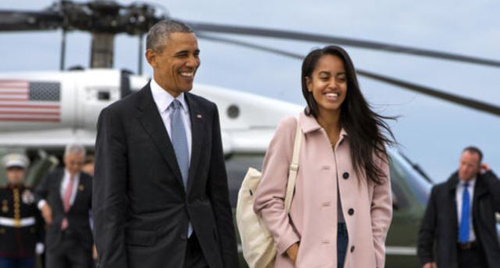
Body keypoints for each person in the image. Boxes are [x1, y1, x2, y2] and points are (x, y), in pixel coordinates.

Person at [93, 19, 238, 268]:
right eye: (183, 55)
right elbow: (109, 206)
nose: (193, 63)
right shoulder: (119, 118)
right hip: (148, 259)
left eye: (195, 54)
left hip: (203, 257)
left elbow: (218, 199)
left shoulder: (207, 112)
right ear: (152, 58)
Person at [253, 45, 394, 268]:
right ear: (309, 83)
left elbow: (381, 204)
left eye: (341, 78)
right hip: (303, 255)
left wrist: (374, 253)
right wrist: (293, 249)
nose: (333, 85)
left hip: (357, 256)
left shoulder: (369, 136)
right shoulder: (291, 130)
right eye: (324, 77)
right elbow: (267, 199)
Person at [418, 147, 500, 268]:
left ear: (478, 168)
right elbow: (427, 228)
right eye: (463, 163)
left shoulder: (486, 193)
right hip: (450, 256)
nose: (465, 169)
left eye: (470, 166)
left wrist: (490, 175)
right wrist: (426, 258)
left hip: (479, 257)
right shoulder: (440, 192)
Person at [35, 144, 93, 268]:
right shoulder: (53, 176)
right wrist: (44, 206)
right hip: (56, 238)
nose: (75, 167)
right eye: (72, 162)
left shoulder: (89, 181)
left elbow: (95, 209)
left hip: (80, 241)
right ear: (65, 159)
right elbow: (38, 194)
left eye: (79, 163)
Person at [0, 153, 44, 268]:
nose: (15, 174)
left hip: (27, 244)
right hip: (5, 245)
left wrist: (40, 240)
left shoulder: (32, 192)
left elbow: (38, 218)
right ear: (7, 173)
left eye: (19, 170)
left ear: (23, 173)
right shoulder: (1, 193)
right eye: (12, 171)